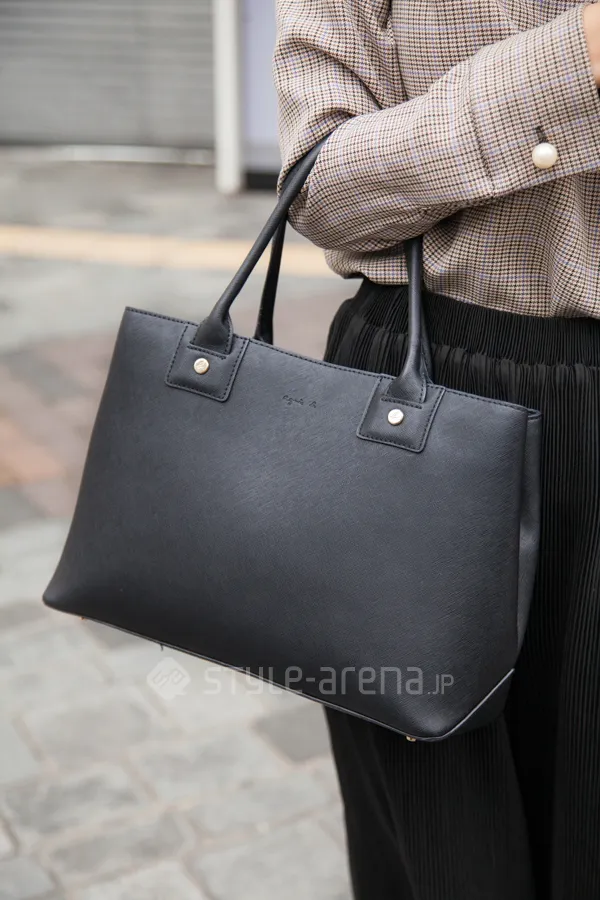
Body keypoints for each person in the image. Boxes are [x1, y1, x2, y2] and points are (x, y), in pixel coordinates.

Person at [272, 2, 600, 899]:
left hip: (428, 404)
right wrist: (572, 60)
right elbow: (321, 187)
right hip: (423, 401)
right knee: (443, 845)